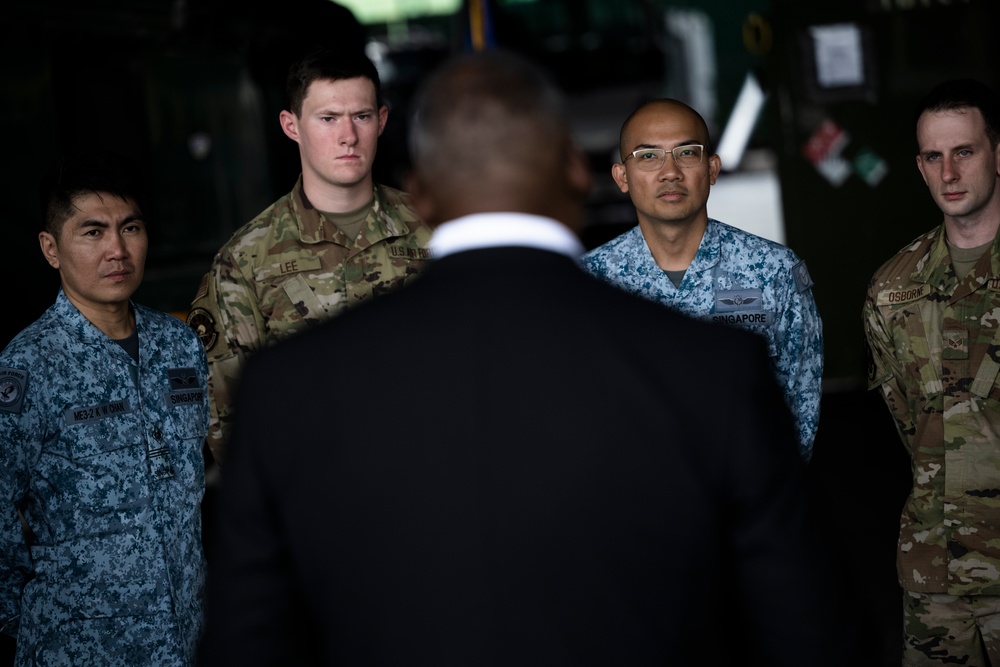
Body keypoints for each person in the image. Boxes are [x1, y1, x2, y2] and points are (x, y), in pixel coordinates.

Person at [197, 49, 842, 667]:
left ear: (418, 195)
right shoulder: (714, 370)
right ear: (579, 171)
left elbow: (250, 639)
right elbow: (803, 629)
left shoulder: (287, 387)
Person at [0, 151, 209, 666]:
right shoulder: (29, 366)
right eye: (92, 232)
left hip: (190, 638)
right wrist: (22, 624)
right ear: (51, 249)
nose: (117, 249)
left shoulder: (179, 345)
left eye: (130, 227)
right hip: (81, 650)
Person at [187, 45, 433, 466]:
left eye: (362, 116)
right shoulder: (245, 262)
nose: (348, 136)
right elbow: (230, 424)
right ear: (291, 125)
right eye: (328, 118)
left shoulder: (436, 229)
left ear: (382, 121)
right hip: (318, 506)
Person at [580, 99, 824, 461]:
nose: (670, 172)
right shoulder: (590, 283)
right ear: (621, 177)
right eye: (648, 156)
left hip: (743, 504)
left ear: (711, 169)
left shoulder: (773, 271)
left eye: (687, 153)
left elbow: (800, 404)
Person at [863, 78, 1000, 665]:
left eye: (964, 151)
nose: (948, 172)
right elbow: (910, 425)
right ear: (919, 167)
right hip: (935, 574)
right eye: (933, 156)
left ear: (998, 153)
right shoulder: (893, 291)